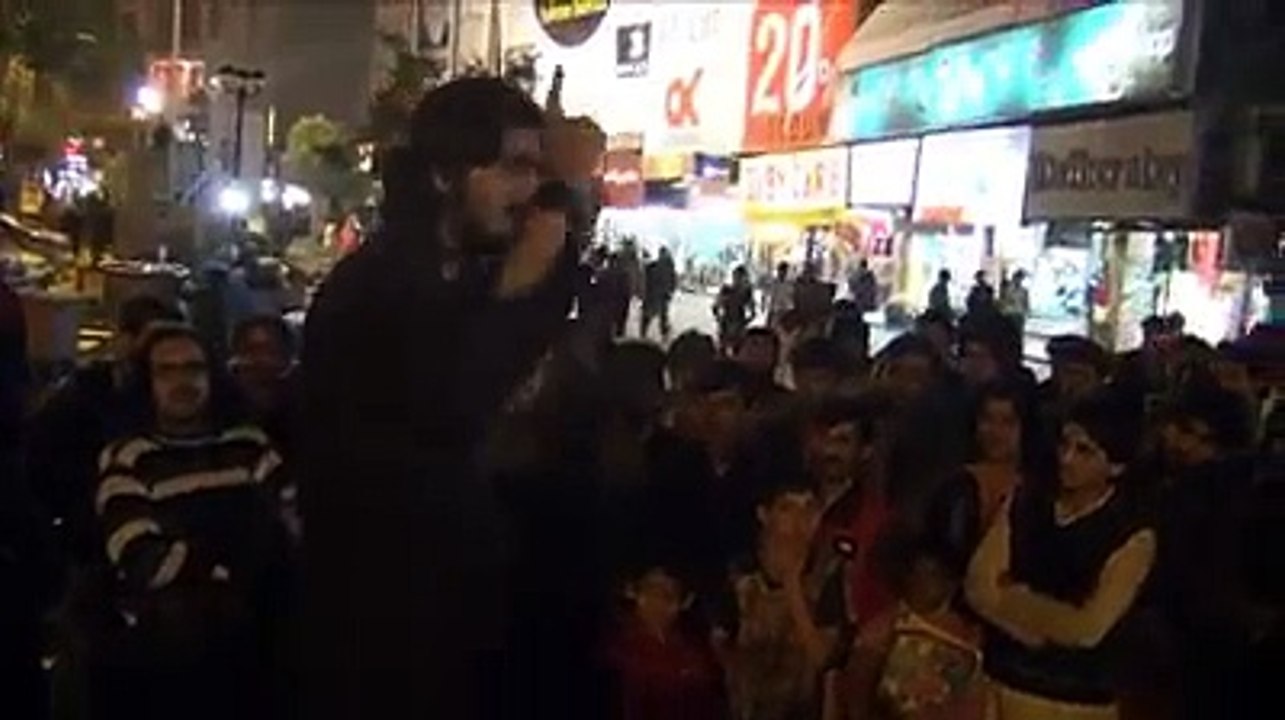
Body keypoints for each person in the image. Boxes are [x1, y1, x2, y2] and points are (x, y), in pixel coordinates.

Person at [299, 77, 590, 720]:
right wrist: (531, 287)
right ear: (442, 176)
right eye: (513, 168)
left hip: (458, 619)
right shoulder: (374, 292)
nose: (529, 195)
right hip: (380, 638)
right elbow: (450, 405)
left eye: (537, 172)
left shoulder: (464, 277)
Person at [91, 323, 296, 720]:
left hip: (263, 644)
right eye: (167, 371)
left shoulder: (248, 445)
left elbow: (294, 520)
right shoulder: (129, 459)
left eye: (193, 369)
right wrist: (229, 561)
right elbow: (142, 560)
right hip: (176, 657)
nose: (182, 382)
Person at [966, 392, 1155, 720]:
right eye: (1064, 444)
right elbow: (978, 586)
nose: (1066, 459)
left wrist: (1014, 598)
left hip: (1073, 701)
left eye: (1084, 451)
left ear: (1116, 466)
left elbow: (1088, 629)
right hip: (997, 684)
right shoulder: (1027, 501)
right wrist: (1043, 620)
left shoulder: (1132, 533)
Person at [713, 478, 852, 720]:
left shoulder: (828, 575)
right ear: (765, 514)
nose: (800, 520)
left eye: (809, 508)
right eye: (787, 508)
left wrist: (793, 586)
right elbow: (719, 644)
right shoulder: (739, 576)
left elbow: (823, 658)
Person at [848, 534, 985, 720]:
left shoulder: (969, 640)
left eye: (935, 573)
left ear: (952, 583)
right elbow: (858, 694)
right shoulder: (884, 629)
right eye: (920, 573)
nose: (925, 581)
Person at [605, 563, 726, 720]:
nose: (658, 602)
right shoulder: (615, 650)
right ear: (632, 593)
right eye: (650, 591)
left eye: (669, 595)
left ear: (685, 602)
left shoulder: (696, 654)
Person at [715, 266, 756, 352]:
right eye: (736, 276)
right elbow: (716, 306)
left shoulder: (747, 292)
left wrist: (745, 322)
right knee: (723, 350)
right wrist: (719, 317)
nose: (738, 279)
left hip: (738, 323)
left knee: (736, 350)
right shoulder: (726, 289)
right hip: (727, 322)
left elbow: (753, 311)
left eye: (740, 277)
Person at [641, 247, 678, 340]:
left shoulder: (654, 266)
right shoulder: (669, 266)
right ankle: (663, 334)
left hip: (655, 294)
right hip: (661, 295)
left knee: (650, 315)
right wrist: (670, 291)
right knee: (662, 316)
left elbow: (647, 276)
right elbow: (673, 281)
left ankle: (644, 333)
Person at [766, 262, 795, 329]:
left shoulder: (790, 284)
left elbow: (792, 298)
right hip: (776, 311)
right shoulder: (773, 284)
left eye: (785, 271)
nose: (783, 273)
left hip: (787, 312)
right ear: (778, 271)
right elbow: (771, 299)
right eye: (781, 271)